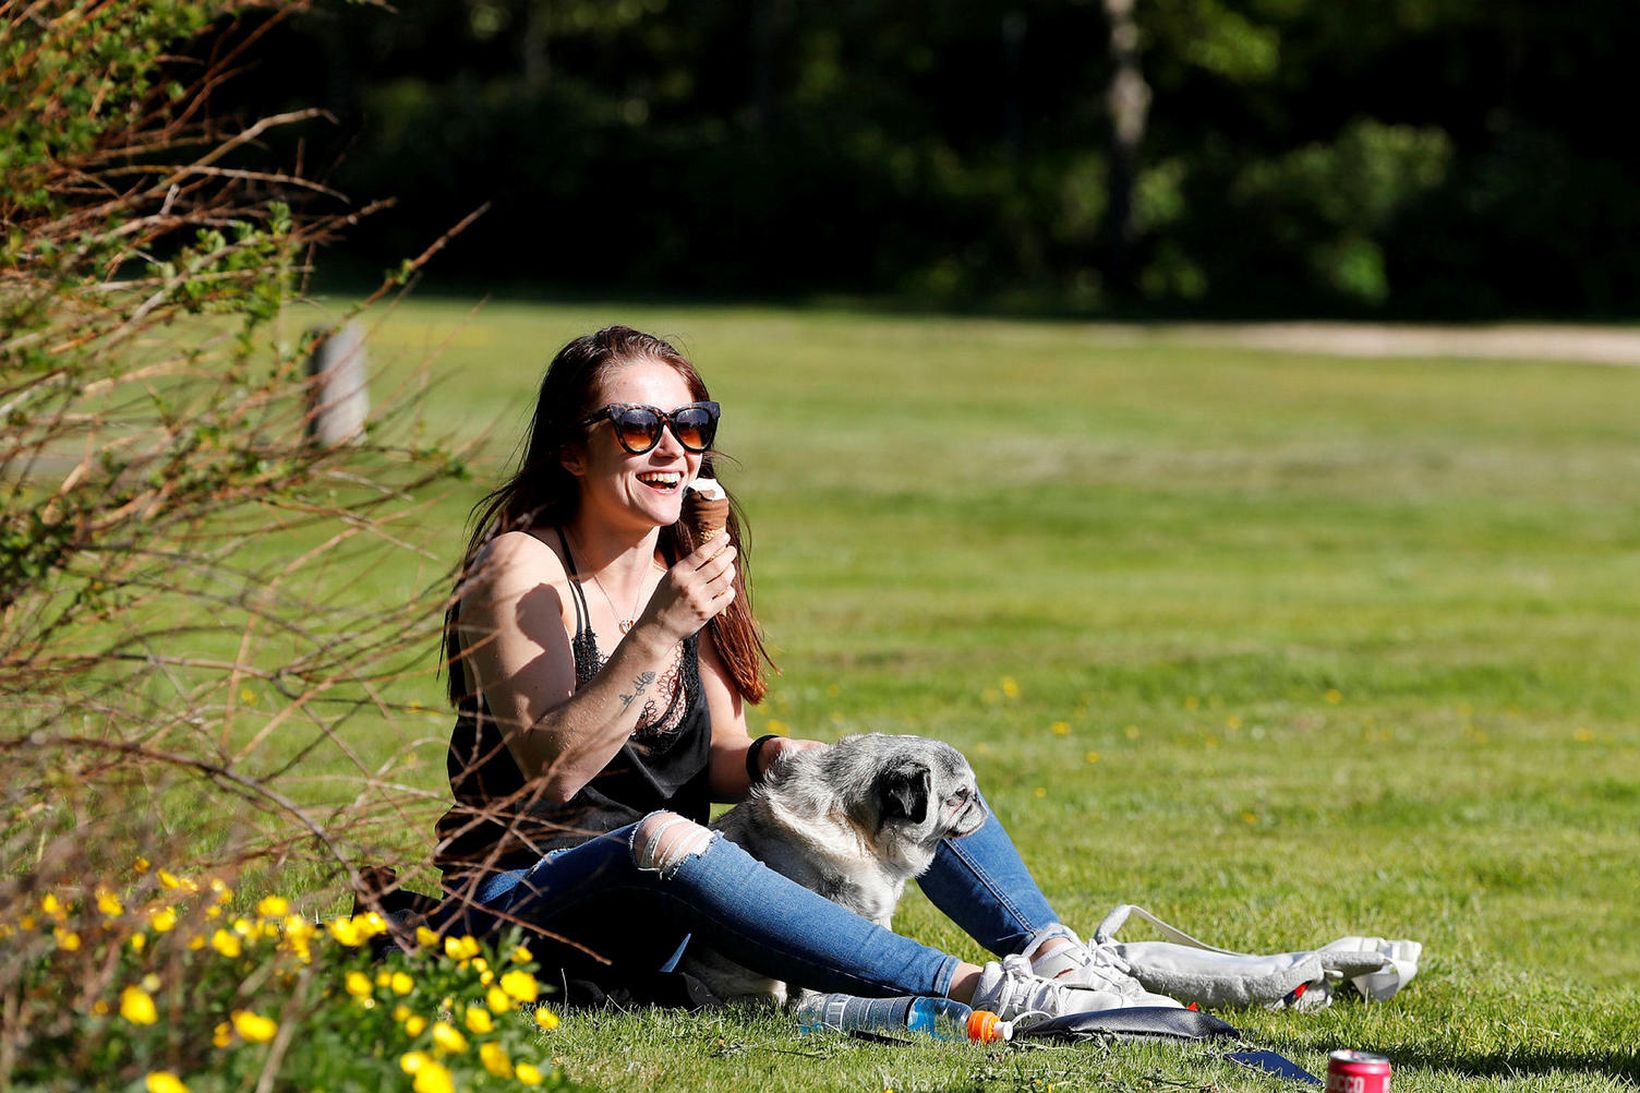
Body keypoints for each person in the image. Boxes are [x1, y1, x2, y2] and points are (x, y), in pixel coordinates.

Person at [431, 326, 1178, 1020]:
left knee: (906, 768)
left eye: (690, 427)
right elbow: (551, 771)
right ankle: (981, 990)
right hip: (531, 897)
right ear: (571, 451)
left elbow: (717, 753)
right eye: (637, 427)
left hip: (675, 898)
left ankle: (1058, 959)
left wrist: (773, 758)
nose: (672, 450)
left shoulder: (683, 560)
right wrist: (663, 626)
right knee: (662, 834)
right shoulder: (523, 568)